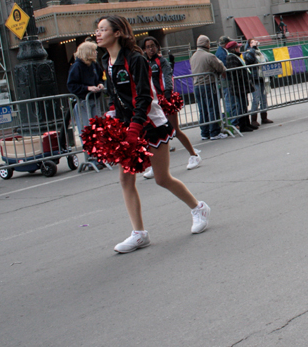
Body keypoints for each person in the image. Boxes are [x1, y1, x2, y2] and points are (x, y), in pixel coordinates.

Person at [95, 15, 210, 253]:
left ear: (117, 33)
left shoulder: (135, 59)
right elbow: (116, 95)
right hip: (128, 127)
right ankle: (139, 234)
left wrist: (135, 129)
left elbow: (144, 97)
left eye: (102, 29)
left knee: (161, 178)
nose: (97, 33)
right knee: (126, 179)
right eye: (97, 30)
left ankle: (198, 208)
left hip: (150, 125)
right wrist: (112, 119)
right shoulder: (106, 59)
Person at [140, 37, 201, 178]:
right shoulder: (144, 63)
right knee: (152, 135)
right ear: (144, 49)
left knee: (175, 130)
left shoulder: (162, 61)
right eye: (147, 46)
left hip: (165, 98)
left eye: (153, 45)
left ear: (157, 47)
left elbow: (168, 76)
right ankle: (155, 165)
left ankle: (194, 155)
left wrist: (167, 92)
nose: (150, 49)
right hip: (152, 101)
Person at [190, 35, 227, 140]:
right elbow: (221, 67)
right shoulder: (209, 56)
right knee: (213, 108)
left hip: (197, 86)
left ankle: (205, 132)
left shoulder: (193, 56)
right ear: (207, 44)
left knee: (203, 110)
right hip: (208, 84)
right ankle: (214, 132)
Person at [67, 41, 105, 135]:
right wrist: (87, 88)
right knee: (86, 129)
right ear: (87, 52)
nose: (96, 52)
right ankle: (88, 148)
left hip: (95, 100)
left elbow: (101, 78)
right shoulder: (76, 66)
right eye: (94, 50)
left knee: (98, 128)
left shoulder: (94, 64)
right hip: (82, 102)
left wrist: (100, 84)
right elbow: (71, 85)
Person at [225, 41, 255, 132]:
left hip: (241, 84)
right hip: (238, 85)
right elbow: (234, 72)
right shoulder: (231, 57)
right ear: (234, 49)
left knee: (244, 104)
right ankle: (243, 125)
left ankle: (247, 123)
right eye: (237, 47)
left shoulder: (235, 57)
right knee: (241, 105)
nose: (239, 49)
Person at [243, 39, 274, 126]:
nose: (255, 43)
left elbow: (266, 61)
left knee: (264, 99)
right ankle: (253, 119)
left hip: (263, 78)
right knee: (256, 99)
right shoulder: (248, 53)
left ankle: (264, 117)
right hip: (255, 79)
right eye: (252, 42)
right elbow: (249, 59)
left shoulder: (260, 52)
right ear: (249, 44)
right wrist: (252, 48)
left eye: (255, 41)